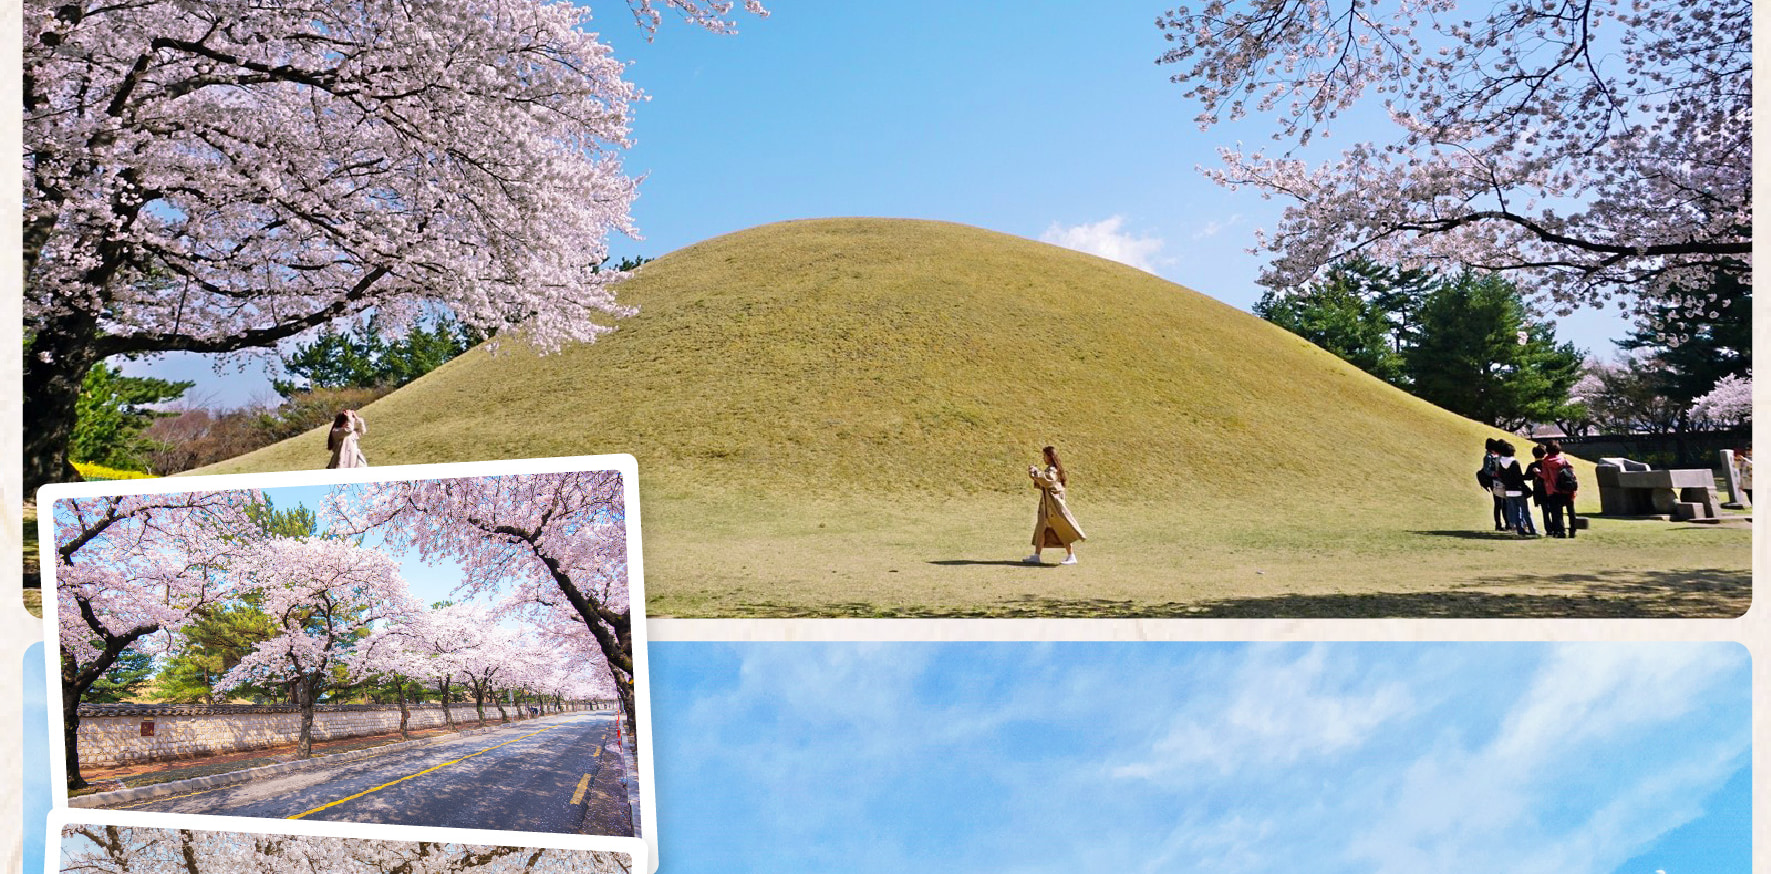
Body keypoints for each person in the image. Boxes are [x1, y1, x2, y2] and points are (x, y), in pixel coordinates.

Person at [1024, 445, 1086, 565]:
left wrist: (1036, 473)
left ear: (1049, 456)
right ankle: (1037, 555)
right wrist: (1036, 475)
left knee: (1062, 529)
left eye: (1044, 455)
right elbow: (1044, 483)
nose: (1043, 458)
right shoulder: (1052, 468)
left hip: (1053, 507)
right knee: (1041, 529)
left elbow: (1049, 480)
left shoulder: (1052, 470)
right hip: (1048, 506)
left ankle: (1071, 555)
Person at [1493, 441, 1536, 537]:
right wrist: (1525, 488)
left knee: (1516, 512)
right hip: (1518, 490)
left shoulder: (1500, 463)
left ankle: (1520, 530)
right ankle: (1532, 530)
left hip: (1508, 491)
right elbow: (1519, 478)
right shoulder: (1514, 462)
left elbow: (1502, 477)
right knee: (1525, 512)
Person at [1537, 441, 1577, 538]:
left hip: (1554, 490)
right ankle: (1572, 530)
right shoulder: (1564, 459)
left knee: (1557, 512)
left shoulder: (1546, 462)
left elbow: (1545, 476)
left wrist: (1537, 472)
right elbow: (1572, 472)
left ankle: (1561, 531)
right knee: (1571, 511)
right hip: (1568, 489)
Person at [1524, 445, 1554, 536]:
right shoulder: (1547, 464)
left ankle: (1548, 529)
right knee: (1554, 510)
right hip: (1551, 489)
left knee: (1545, 511)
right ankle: (1556, 527)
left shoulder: (1532, 465)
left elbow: (1527, 477)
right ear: (1545, 453)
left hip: (1539, 491)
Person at [1480, 439, 1507, 531]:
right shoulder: (1488, 457)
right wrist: (1495, 474)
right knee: (1499, 504)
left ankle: (1503, 523)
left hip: (1497, 482)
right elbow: (1487, 470)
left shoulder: (1494, 456)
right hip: (1495, 482)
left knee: (1502, 504)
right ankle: (1499, 524)